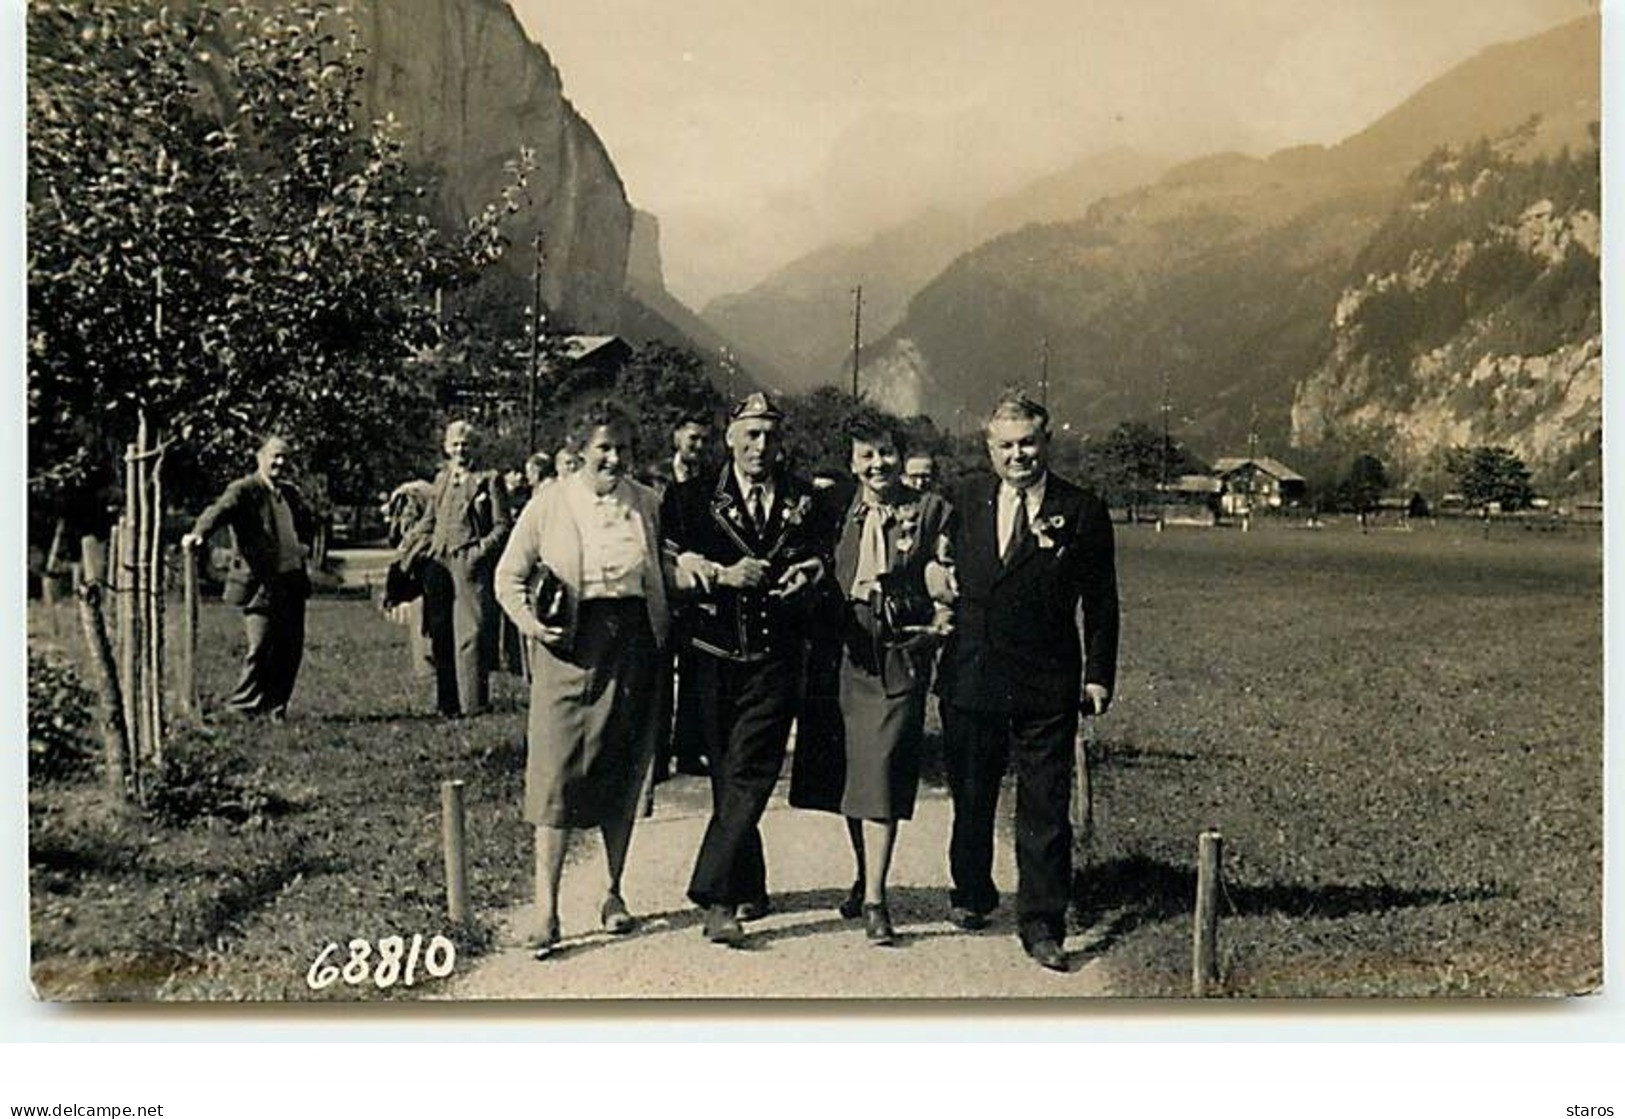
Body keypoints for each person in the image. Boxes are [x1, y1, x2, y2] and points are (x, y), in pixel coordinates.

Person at [935, 391, 1119, 972]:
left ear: (1047, 443)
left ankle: (1042, 923)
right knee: (971, 794)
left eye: (1028, 444)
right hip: (972, 672)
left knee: (1044, 803)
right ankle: (972, 892)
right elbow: (927, 554)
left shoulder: (1082, 509)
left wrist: (1097, 675)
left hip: (1047, 681)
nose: (1018, 456)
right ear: (989, 449)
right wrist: (932, 573)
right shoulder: (963, 498)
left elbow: (1103, 602)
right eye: (1006, 446)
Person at [494, 400, 672, 958]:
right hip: (569, 645)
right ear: (578, 452)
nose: (614, 459)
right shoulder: (551, 503)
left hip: (634, 644)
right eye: (603, 449)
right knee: (555, 775)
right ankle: (546, 910)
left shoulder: (646, 502)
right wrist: (532, 627)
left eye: (622, 449)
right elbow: (508, 576)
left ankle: (613, 895)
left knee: (623, 769)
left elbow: (660, 570)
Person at [661, 392, 829, 946]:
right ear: (730, 437)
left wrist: (807, 571)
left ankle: (716, 896)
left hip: (776, 658)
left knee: (753, 772)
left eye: (771, 436)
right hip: (711, 658)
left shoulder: (806, 498)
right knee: (726, 775)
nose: (761, 447)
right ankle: (750, 884)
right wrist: (719, 573)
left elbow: (822, 555)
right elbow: (669, 563)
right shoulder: (689, 498)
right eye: (751, 435)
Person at [821, 418, 955, 945]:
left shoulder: (930, 511)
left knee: (881, 765)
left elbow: (948, 579)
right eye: (866, 457)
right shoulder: (836, 510)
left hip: (901, 647)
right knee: (856, 772)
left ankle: (876, 898)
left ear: (901, 456)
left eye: (885, 454)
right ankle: (864, 874)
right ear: (852, 463)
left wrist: (940, 619)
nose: (878, 465)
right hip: (847, 647)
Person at [181, 435, 317, 721]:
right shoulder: (245, 490)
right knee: (260, 644)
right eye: (275, 456)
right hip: (261, 582)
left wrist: (303, 545)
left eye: (285, 458)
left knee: (290, 647)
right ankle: (242, 706)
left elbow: (309, 521)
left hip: (291, 579)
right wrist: (198, 533)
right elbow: (218, 511)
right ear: (260, 458)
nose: (280, 463)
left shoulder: (290, 493)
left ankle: (276, 707)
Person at [403, 420, 511, 717]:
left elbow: (502, 526)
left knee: (471, 632)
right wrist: (414, 544)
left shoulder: (488, 480)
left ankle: (474, 703)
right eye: (455, 444)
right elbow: (430, 519)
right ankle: (447, 703)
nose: (461, 449)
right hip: (439, 561)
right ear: (446, 447)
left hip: (469, 563)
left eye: (466, 444)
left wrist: (479, 552)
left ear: (475, 447)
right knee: (440, 631)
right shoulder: (441, 479)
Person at [654, 413, 716, 783]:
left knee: (696, 672)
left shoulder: (711, 483)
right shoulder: (654, 478)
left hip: (697, 588)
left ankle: (690, 750)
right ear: (676, 436)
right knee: (660, 675)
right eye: (693, 438)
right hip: (663, 583)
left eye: (705, 440)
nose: (699, 446)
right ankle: (658, 755)